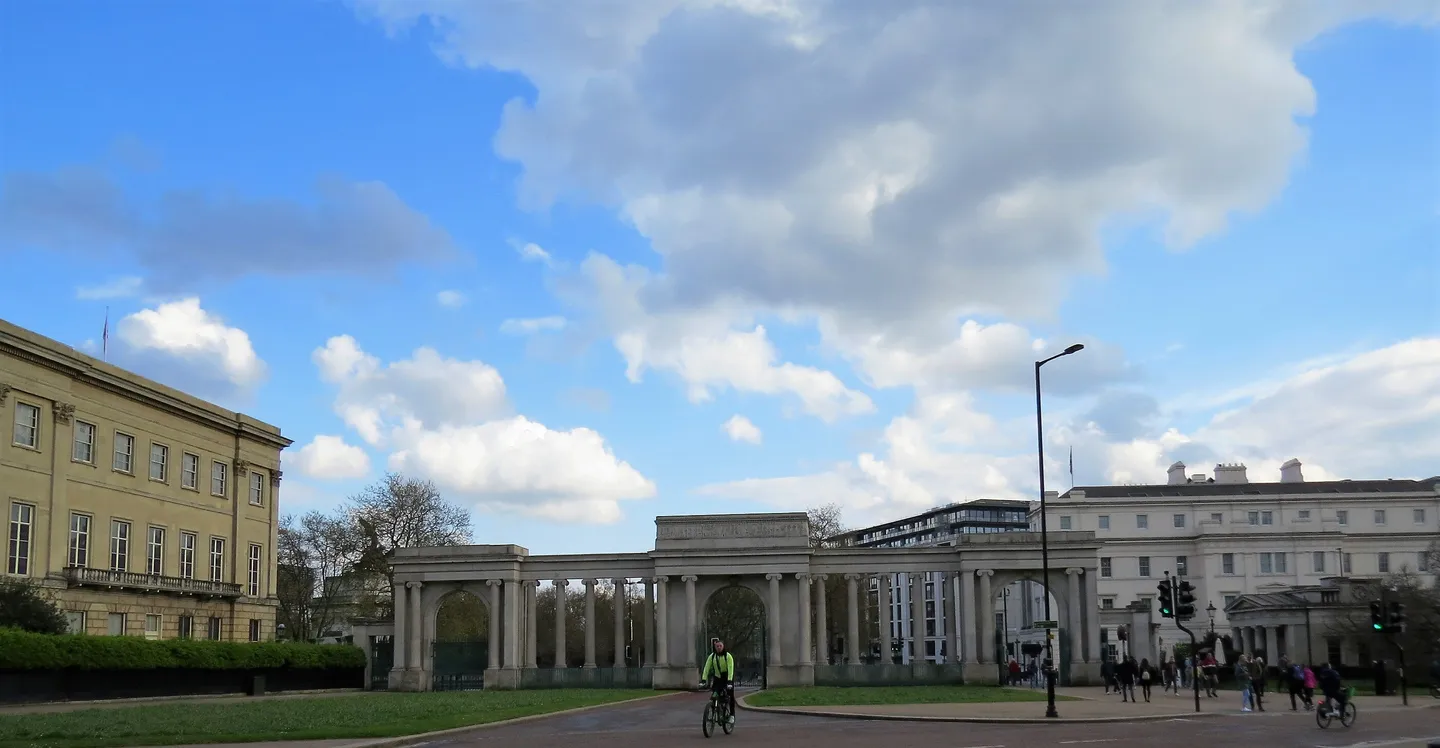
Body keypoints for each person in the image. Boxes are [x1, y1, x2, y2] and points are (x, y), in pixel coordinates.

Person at [701, 639, 737, 726]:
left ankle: (731, 715)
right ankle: (714, 710)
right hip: (717, 678)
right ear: (715, 647)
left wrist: (729, 682)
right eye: (717, 646)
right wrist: (703, 680)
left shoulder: (728, 656)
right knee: (714, 696)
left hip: (727, 677)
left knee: (730, 696)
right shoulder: (712, 657)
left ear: (723, 646)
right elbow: (706, 668)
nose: (719, 648)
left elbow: (731, 669)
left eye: (720, 646)